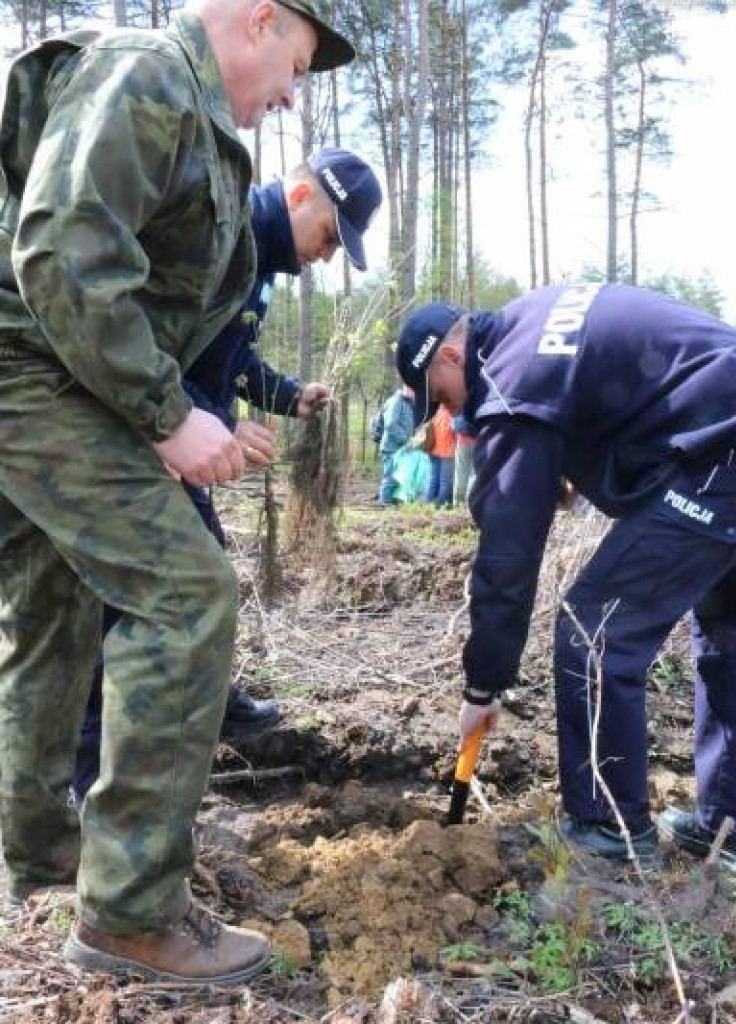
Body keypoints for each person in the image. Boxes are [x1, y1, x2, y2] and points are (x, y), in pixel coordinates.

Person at [0, 0, 355, 985]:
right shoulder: (149, 76)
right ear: (257, 20)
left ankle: (39, 845)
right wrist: (165, 416)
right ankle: (132, 912)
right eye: (298, 60)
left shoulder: (185, 110)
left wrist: (173, 413)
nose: (292, 91)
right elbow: (62, 254)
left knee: (52, 606)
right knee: (188, 594)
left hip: (51, 377)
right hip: (31, 374)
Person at [396, 286, 736, 866]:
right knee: (734, 636)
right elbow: (626, 390)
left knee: (596, 632)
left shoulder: (506, 382)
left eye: (439, 397)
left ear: (449, 355)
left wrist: (483, 687)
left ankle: (608, 831)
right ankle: (731, 831)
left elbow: (507, 560)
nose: (448, 412)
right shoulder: (531, 324)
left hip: (724, 454)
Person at [72, 146, 382, 804]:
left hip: (174, 439)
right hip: (131, 440)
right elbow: (147, 342)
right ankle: (86, 770)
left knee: (205, 571)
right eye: (330, 236)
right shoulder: (219, 236)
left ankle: (206, 700)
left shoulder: (259, 264)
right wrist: (209, 421)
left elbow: (230, 354)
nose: (327, 256)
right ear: (300, 198)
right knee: (128, 598)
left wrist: (288, 395)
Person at [377, 385, 415, 504]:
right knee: (390, 475)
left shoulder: (407, 402)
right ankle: (384, 501)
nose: (415, 393)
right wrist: (405, 438)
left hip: (400, 447)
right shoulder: (397, 401)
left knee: (398, 474)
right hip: (391, 446)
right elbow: (390, 424)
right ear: (407, 388)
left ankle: (391, 499)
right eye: (413, 390)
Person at [426, 403, 456, 507]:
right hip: (447, 452)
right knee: (445, 482)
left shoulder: (437, 413)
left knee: (434, 479)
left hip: (434, 451)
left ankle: (428, 501)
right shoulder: (450, 415)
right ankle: (439, 504)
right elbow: (452, 432)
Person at [452, 411, 478, 504]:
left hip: (461, 438)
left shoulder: (461, 399)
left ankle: (457, 501)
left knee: (460, 472)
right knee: (474, 472)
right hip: (477, 440)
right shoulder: (480, 399)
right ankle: (468, 502)